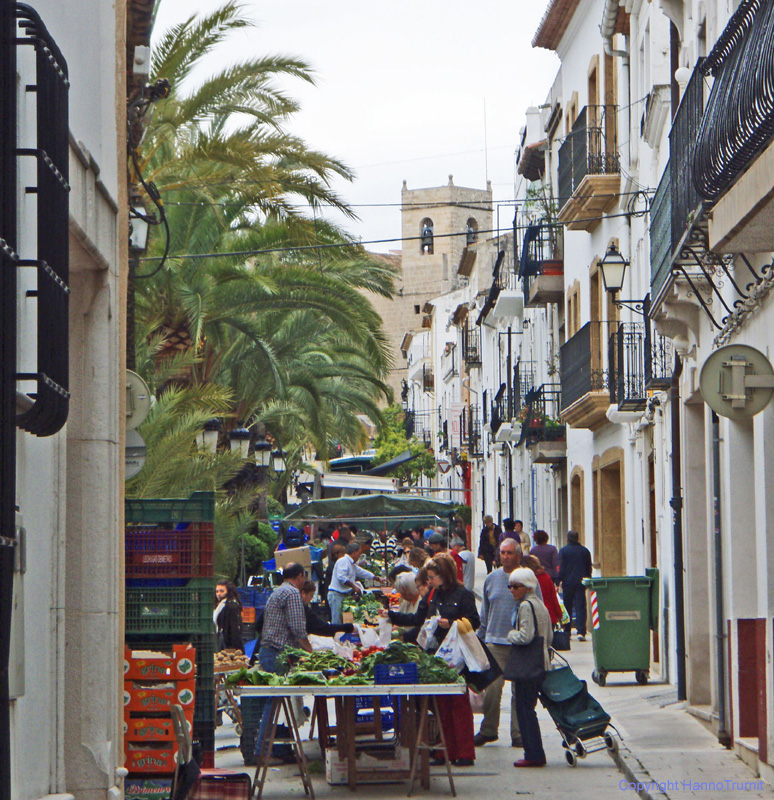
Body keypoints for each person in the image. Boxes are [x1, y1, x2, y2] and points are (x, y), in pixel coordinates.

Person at [383, 554, 479, 766]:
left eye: (433, 577)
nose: (430, 581)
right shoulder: (434, 595)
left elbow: (474, 621)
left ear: (445, 575)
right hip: (436, 655)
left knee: (459, 705)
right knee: (440, 705)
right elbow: (419, 619)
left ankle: (465, 752)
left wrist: (451, 622)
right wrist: (392, 616)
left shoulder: (464, 595)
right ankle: (445, 750)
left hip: (457, 656)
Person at [253, 563, 312, 764]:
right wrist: (310, 652)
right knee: (273, 702)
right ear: (300, 576)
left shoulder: (278, 591)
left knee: (276, 702)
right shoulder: (292, 593)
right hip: (277, 654)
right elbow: (297, 628)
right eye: (304, 577)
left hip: (269, 651)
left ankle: (275, 749)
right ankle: (262, 752)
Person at [475, 538, 524, 748]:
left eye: (510, 553)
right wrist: (479, 639)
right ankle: (489, 730)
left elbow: (538, 609)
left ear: (518, 556)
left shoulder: (527, 579)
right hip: (494, 643)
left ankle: (519, 733)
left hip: (520, 645)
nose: (505, 556)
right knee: (492, 690)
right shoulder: (492, 579)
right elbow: (485, 613)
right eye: (502, 552)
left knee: (519, 692)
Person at [507, 567, 553, 768]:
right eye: (510, 586)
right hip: (541, 662)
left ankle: (533, 753)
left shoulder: (526, 606)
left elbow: (526, 636)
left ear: (527, 587)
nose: (512, 590)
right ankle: (534, 752)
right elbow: (549, 635)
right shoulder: (539, 604)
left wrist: (511, 635)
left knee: (524, 710)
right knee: (528, 708)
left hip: (528, 665)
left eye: (516, 586)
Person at [327, 542, 375, 623]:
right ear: (354, 552)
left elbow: (361, 572)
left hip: (344, 595)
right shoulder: (343, 561)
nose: (359, 556)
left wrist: (376, 578)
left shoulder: (351, 564)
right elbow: (341, 577)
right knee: (337, 621)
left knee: (343, 621)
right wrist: (354, 587)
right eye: (359, 553)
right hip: (337, 595)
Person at [558, 531, 593, 641]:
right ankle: (581, 631)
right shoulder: (585, 551)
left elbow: (561, 568)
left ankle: (567, 631)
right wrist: (588, 578)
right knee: (580, 606)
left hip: (567, 582)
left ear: (567, 539)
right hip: (580, 582)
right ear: (578, 538)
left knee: (567, 607)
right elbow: (588, 567)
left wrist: (558, 580)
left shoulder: (563, 551)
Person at [522, 555, 562, 626]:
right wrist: (559, 614)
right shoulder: (546, 577)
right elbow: (553, 597)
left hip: (531, 616)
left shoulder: (525, 580)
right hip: (549, 614)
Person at [214, 580, 243, 651]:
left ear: (229, 591)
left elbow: (234, 629)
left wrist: (233, 648)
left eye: (222, 591)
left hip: (229, 646)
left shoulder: (231, 606)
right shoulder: (220, 605)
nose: (218, 594)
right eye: (217, 591)